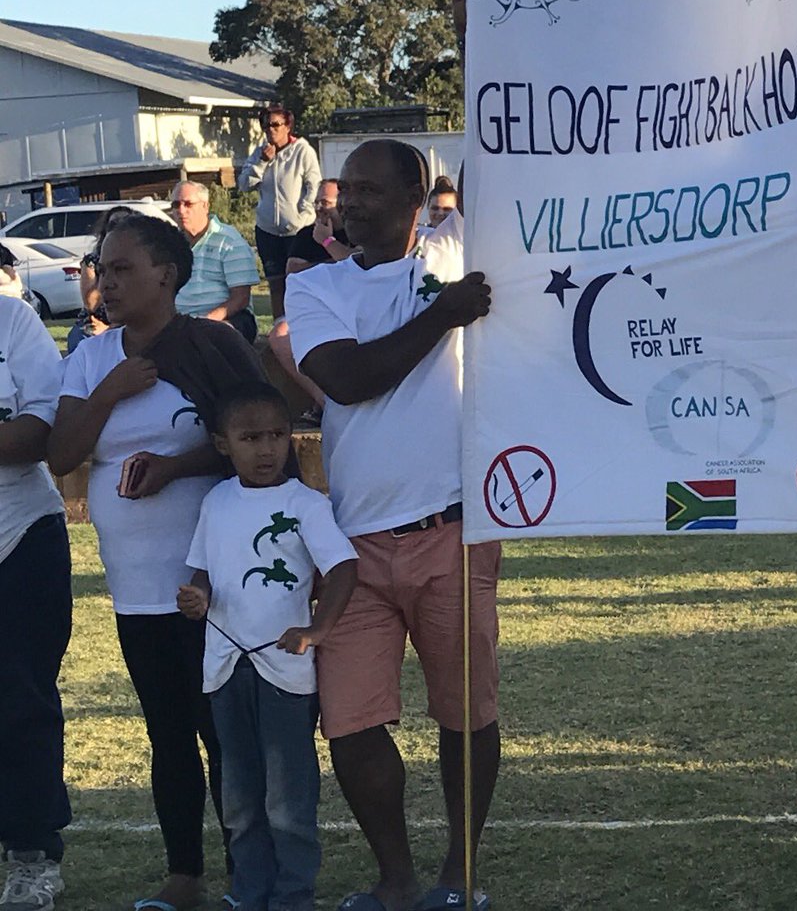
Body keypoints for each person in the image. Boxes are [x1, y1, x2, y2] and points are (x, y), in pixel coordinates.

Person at [286, 139, 498, 911]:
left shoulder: (459, 246)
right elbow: (345, 380)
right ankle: (397, 881)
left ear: (420, 193)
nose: (354, 202)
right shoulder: (316, 287)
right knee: (349, 721)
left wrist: (492, 37)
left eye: (375, 189)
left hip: (455, 527)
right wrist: (443, 317)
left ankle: (458, 877)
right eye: (349, 191)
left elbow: (502, 162)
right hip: (352, 545)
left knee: (465, 712)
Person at [47, 214, 267, 911]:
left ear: (168, 274)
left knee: (222, 732)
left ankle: (247, 873)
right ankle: (183, 876)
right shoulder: (90, 355)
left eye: (122, 269)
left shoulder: (213, 342)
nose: (105, 283)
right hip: (135, 587)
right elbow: (61, 455)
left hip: (210, 582)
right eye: (101, 270)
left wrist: (176, 467)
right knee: (166, 733)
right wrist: (112, 389)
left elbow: (259, 434)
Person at [177, 382, 358, 911]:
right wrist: (197, 598)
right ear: (222, 443)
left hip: (285, 671)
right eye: (250, 437)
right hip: (225, 667)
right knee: (238, 794)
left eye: (276, 435)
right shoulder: (215, 501)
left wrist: (317, 631)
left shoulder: (306, 504)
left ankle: (293, 894)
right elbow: (203, 571)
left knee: (287, 798)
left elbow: (344, 568)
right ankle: (248, 891)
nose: (265, 448)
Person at [0, 297, 72, 911]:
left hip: (19, 534)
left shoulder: (12, 319)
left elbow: (40, 432)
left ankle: (31, 855)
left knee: (22, 703)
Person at [267, 180, 353, 425]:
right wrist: (336, 264)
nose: (319, 208)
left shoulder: (354, 232)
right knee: (279, 335)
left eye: (325, 202)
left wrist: (328, 243)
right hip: (310, 309)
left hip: (346, 309)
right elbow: (293, 271)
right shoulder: (307, 234)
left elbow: (358, 263)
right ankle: (325, 401)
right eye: (317, 202)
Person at [238, 106, 321, 320]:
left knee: (299, 284)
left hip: (298, 231)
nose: (270, 130)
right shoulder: (260, 153)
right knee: (276, 285)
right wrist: (262, 162)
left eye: (275, 125)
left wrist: (302, 217)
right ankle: (278, 330)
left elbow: (314, 187)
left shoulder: (303, 151)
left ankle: (302, 328)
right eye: (266, 126)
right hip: (267, 231)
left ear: (288, 126)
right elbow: (244, 184)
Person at [170, 182, 260, 343]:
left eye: (188, 204)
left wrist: (205, 322)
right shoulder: (170, 244)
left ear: (205, 206)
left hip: (228, 318)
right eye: (176, 204)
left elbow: (240, 299)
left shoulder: (229, 241)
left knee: (214, 336)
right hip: (181, 320)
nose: (181, 210)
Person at [67, 205, 139, 354]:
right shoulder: (92, 261)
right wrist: (104, 270)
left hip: (127, 323)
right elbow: (91, 303)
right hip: (94, 322)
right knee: (81, 337)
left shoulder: (139, 262)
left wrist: (111, 329)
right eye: (113, 225)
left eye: (125, 223)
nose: (119, 229)